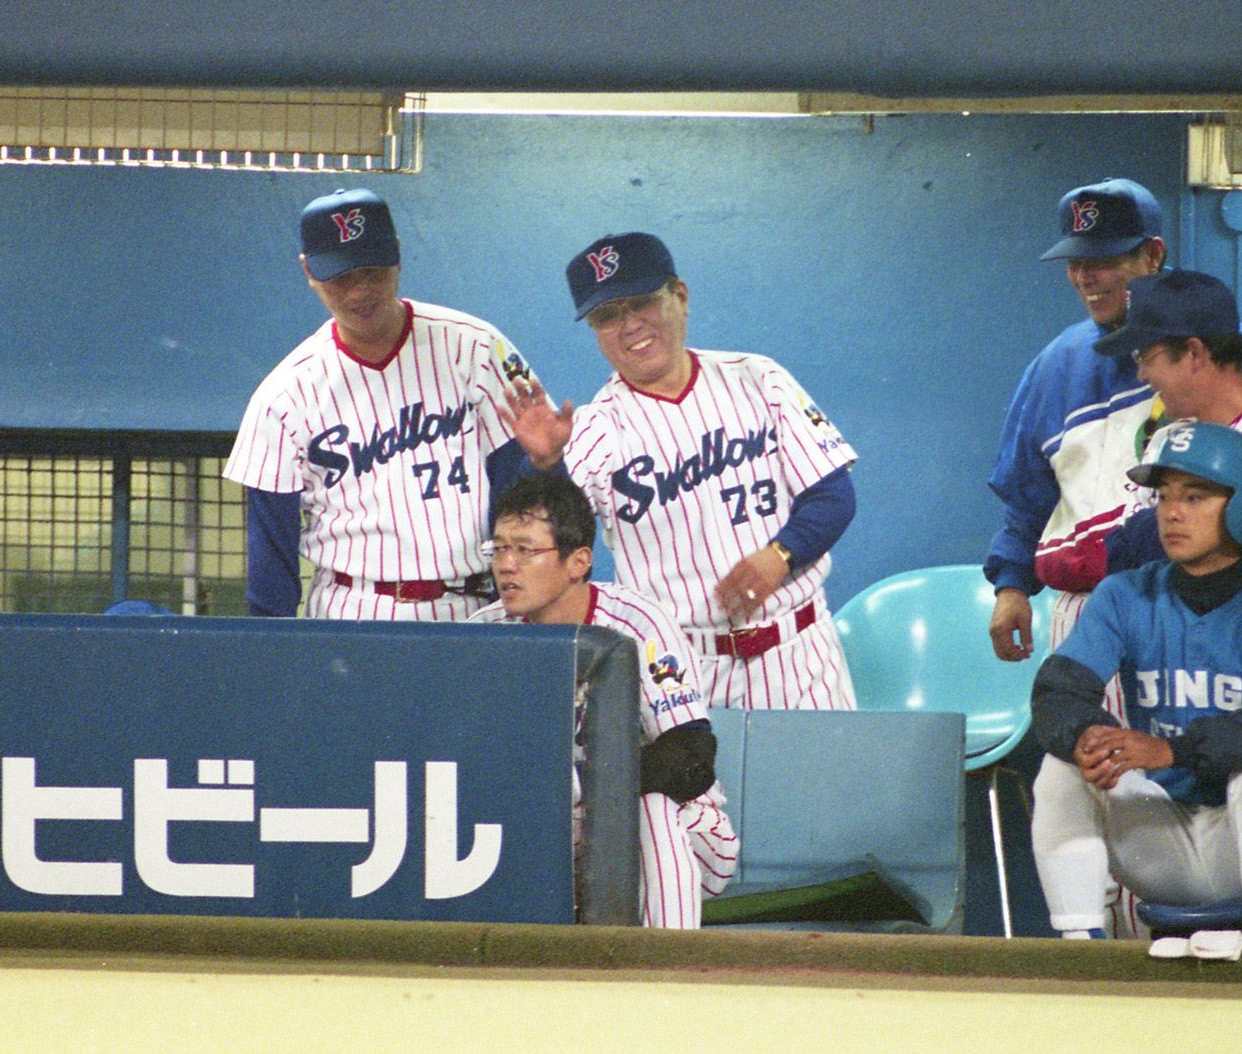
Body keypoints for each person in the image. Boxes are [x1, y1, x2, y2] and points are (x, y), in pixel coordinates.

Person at [504, 232, 858, 710]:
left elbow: (833, 495)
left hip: (800, 654)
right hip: (678, 671)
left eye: (642, 302)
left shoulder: (758, 378)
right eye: (608, 316)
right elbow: (553, 537)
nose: (630, 325)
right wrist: (548, 466)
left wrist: (781, 555)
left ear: (681, 296)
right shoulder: (594, 429)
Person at [985, 178, 1242, 672]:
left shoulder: (1231, 351)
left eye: (1103, 260)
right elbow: (1028, 501)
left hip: (1209, 611)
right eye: (1074, 262)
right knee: (1075, 719)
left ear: (1153, 254)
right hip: (1088, 612)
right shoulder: (1054, 368)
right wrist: (1012, 585)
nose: (1085, 277)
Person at [1030, 422, 1242, 942]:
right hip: (1159, 836)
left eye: (1195, 497)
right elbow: (1059, 688)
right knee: (1061, 767)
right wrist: (1087, 735)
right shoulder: (1124, 594)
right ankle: (1081, 951)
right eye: (1163, 496)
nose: (1172, 512)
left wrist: (1170, 750)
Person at [224, 188, 538, 621]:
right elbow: (270, 560)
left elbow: (527, 495)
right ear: (308, 270)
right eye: (341, 276)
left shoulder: (475, 348)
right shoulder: (284, 395)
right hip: (351, 610)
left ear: (397, 255)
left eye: (372, 271)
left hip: (475, 605)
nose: (359, 291)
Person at [468, 474, 740, 928]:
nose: (506, 565)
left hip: (687, 837)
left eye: (525, 550)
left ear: (578, 561)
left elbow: (691, 757)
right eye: (498, 549)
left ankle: (669, 962)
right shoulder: (484, 633)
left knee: (653, 805)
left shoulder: (637, 622)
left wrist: (578, 788)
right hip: (557, 839)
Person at [1089, 269, 1242, 588]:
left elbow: (1230, 577)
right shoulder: (1168, 438)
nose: (1141, 375)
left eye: (1146, 357)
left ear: (1194, 353)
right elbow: (1124, 556)